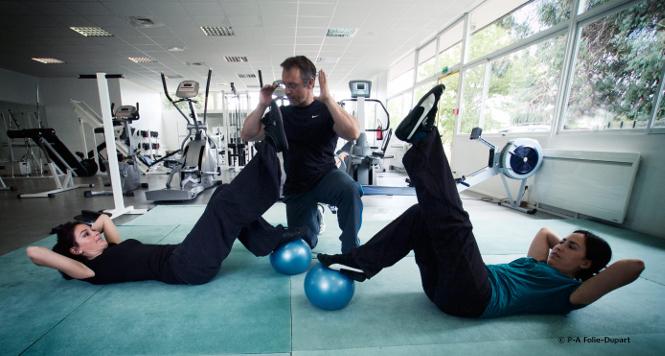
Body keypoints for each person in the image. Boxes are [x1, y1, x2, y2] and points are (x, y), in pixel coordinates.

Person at [318, 84, 645, 318]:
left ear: (587, 266)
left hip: (474, 299)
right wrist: (567, 248)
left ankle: (425, 138)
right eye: (566, 243)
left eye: (572, 248)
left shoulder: (570, 294)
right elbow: (545, 232)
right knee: (423, 215)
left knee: (455, 224)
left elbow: (634, 267)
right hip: (442, 287)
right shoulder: (538, 263)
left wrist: (586, 266)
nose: (559, 246)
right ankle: (358, 263)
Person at [26, 109, 301, 285]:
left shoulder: (111, 249)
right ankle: (271, 154)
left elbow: (105, 222)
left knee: (221, 192)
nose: (94, 234)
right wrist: (75, 244)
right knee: (225, 207)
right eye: (85, 237)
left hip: (185, 254)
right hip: (186, 268)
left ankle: (267, 240)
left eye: (90, 232)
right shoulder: (88, 270)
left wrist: (91, 229)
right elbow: (34, 252)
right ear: (75, 253)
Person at [240, 56, 362, 253]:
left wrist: (328, 98)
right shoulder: (282, 114)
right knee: (305, 243)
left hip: (326, 176)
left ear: (310, 83)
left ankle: (351, 251)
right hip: (297, 187)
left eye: (293, 85)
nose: (287, 91)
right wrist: (262, 104)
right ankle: (316, 217)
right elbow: (247, 134)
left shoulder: (326, 110)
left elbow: (353, 133)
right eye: (285, 84)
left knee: (350, 190)